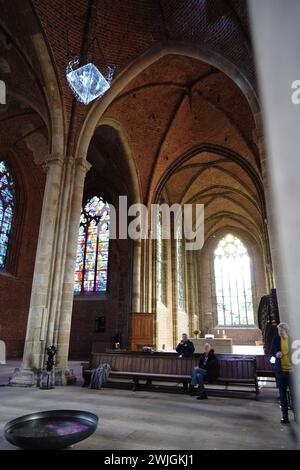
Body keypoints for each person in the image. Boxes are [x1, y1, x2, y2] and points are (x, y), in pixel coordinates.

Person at [271, 322, 294, 424]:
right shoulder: (276, 339)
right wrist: (276, 353)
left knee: (294, 395)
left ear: (286, 330)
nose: (279, 332)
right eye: (278, 330)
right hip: (280, 372)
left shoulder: (292, 340)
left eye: (281, 330)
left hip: (291, 372)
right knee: (282, 395)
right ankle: (285, 417)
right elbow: (272, 351)